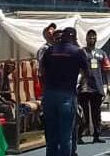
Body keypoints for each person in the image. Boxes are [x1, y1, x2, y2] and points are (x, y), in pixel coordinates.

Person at [42, 27, 88, 156]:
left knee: (51, 135)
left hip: (49, 94)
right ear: (74, 37)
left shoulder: (49, 51)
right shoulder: (77, 52)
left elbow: (42, 71)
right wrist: (78, 85)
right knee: (66, 136)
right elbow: (86, 73)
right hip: (67, 95)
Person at [78, 30, 110, 144]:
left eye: (93, 37)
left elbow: (107, 69)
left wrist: (108, 85)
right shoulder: (81, 52)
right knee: (83, 113)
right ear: (86, 38)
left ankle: (96, 135)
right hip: (83, 87)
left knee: (96, 113)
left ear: (96, 39)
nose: (91, 39)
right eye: (89, 37)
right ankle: (79, 135)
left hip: (97, 87)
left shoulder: (101, 53)